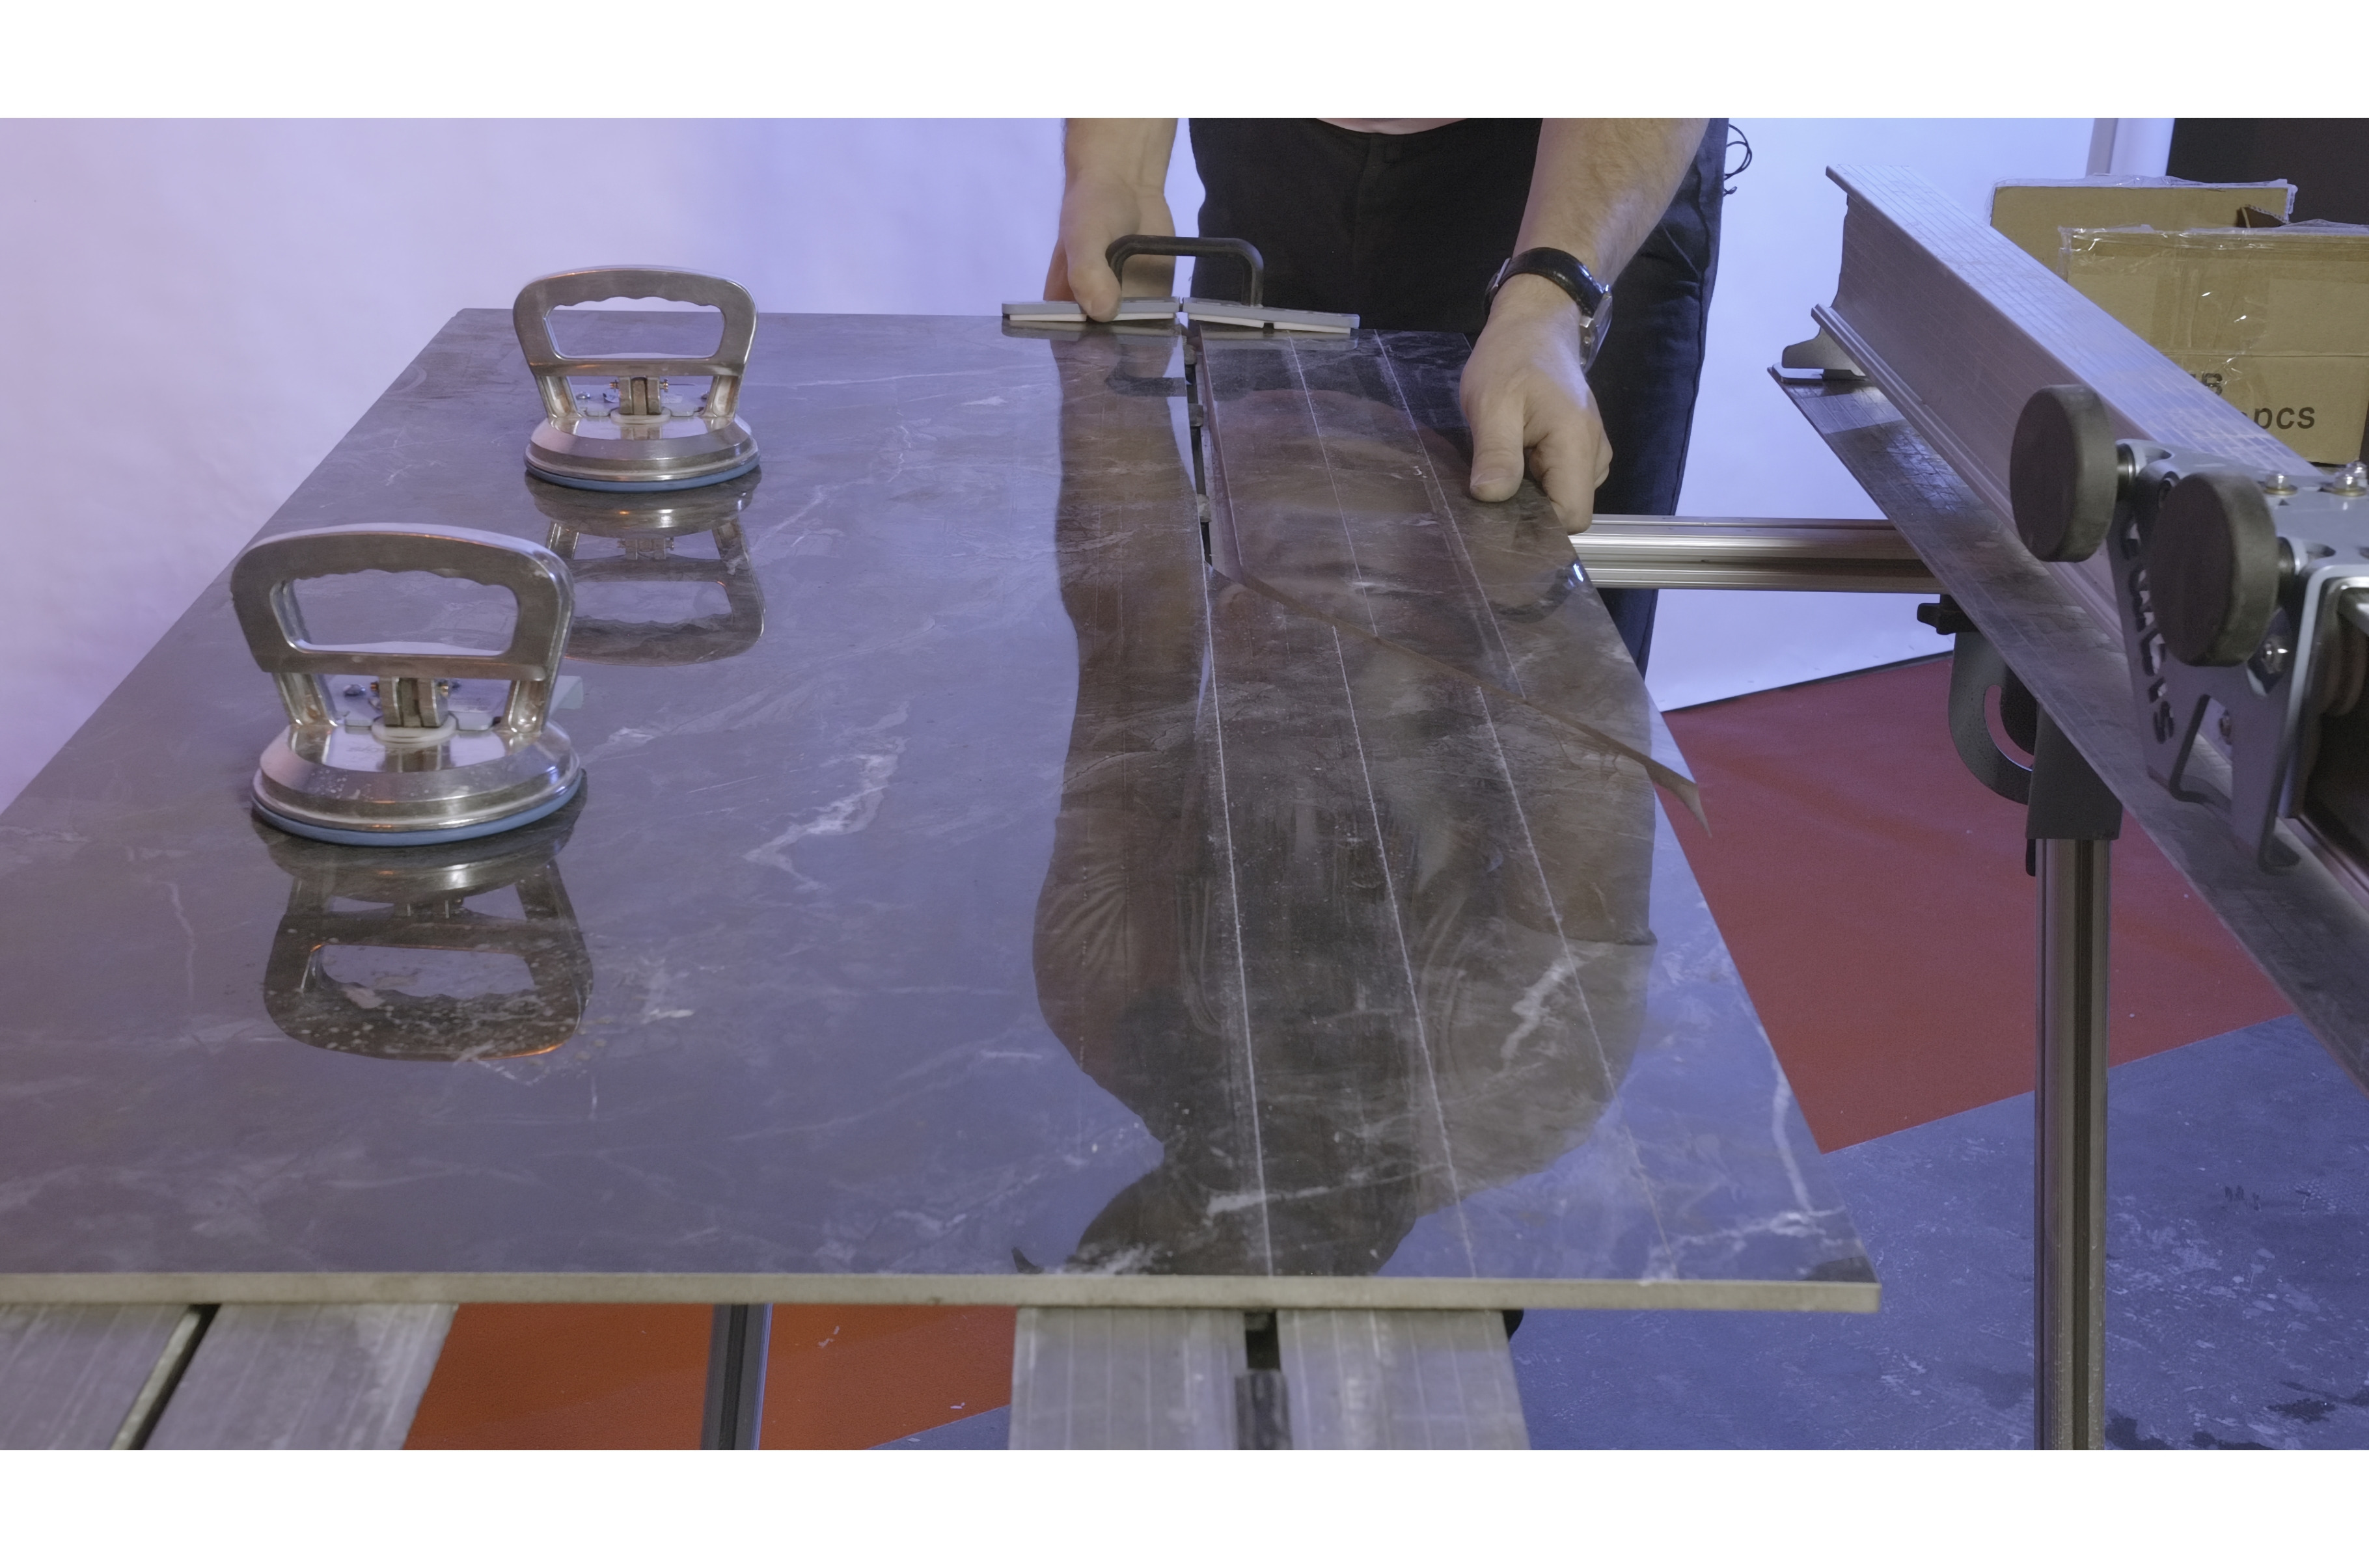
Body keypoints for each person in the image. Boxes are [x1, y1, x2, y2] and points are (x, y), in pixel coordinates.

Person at [1043, 118, 1725, 672]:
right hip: (1277, 142)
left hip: (1577, 167)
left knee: (1555, 673)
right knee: (1247, 654)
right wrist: (1117, 169)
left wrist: (1552, 296)